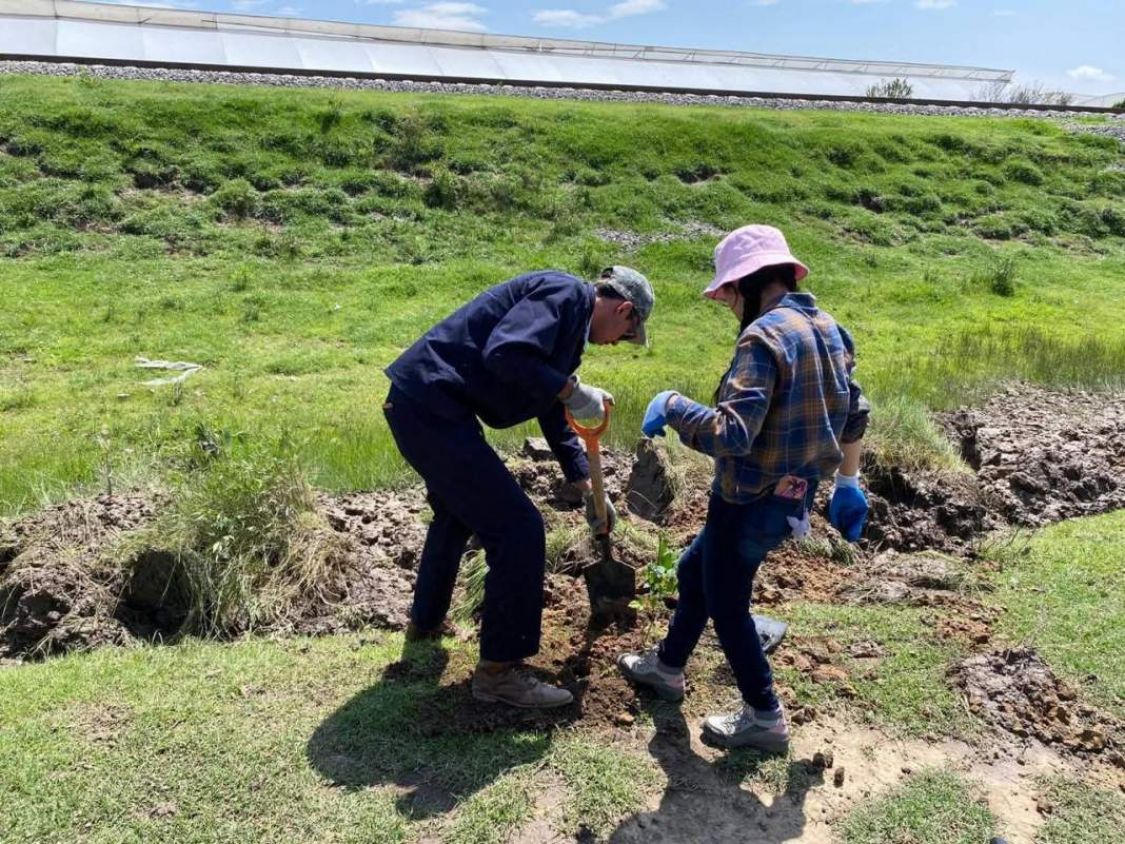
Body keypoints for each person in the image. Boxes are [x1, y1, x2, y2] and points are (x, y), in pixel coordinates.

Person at [617, 225, 869, 752]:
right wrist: (848, 482)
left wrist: (673, 405)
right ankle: (667, 668)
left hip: (747, 498)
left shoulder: (763, 339)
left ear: (748, 285)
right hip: (790, 498)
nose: (728, 305)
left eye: (728, 293)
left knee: (728, 604)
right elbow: (855, 416)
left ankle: (765, 716)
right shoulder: (829, 328)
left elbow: (732, 434)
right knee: (693, 571)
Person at [383, 266, 655, 709]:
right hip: (430, 407)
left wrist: (586, 485)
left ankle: (425, 626)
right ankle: (499, 674)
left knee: (456, 513)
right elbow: (506, 352)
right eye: (625, 335)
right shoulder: (565, 295)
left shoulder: (567, 328)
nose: (613, 344)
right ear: (625, 310)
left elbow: (551, 407)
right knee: (519, 529)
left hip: (424, 404)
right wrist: (569, 387)